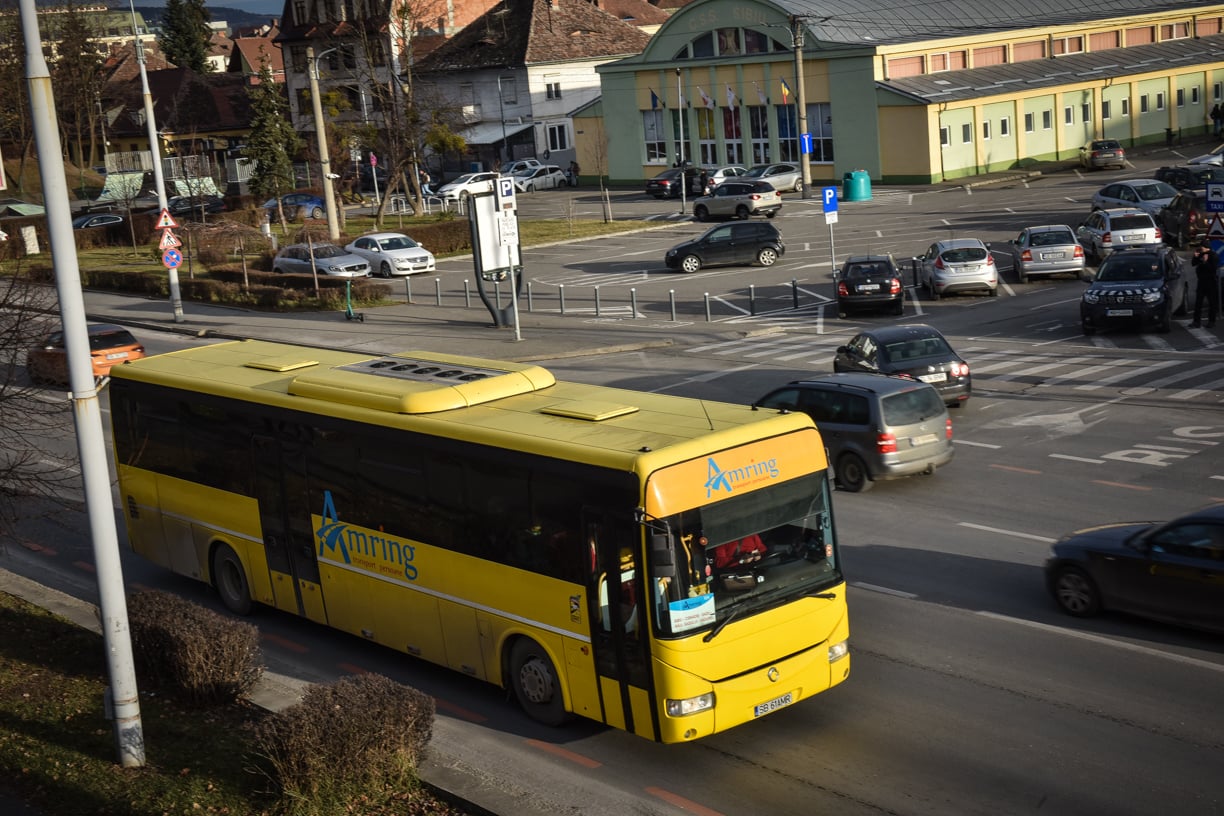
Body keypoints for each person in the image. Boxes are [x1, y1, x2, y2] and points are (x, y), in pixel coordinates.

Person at [1190, 242, 1220, 328]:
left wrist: (1205, 262)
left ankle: (1211, 321)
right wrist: (1195, 257)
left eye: (1202, 248)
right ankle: (1196, 321)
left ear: (1207, 248)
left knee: (1212, 303)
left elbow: (1213, 269)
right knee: (1198, 303)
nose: (1201, 249)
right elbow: (1193, 263)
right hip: (1201, 282)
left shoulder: (1213, 256)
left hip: (1211, 282)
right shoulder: (1201, 254)